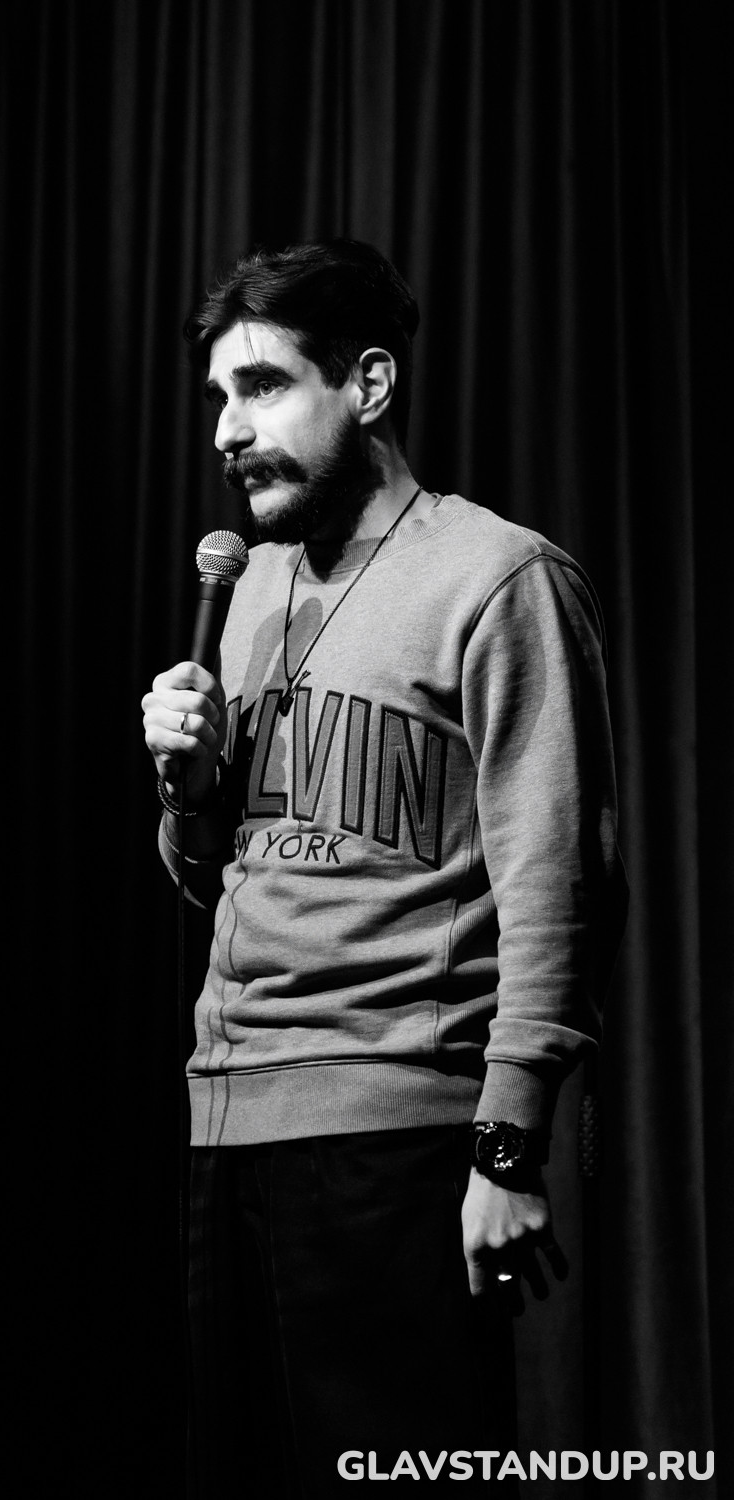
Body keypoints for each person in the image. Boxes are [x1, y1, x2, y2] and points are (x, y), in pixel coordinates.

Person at [141, 240, 627, 1498]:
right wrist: (187, 790)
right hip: (227, 1120)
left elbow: (559, 881)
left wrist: (508, 1147)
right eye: (218, 398)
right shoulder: (249, 591)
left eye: (262, 387)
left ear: (366, 384)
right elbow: (213, 875)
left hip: (396, 1137)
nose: (228, 431)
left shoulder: (496, 577)